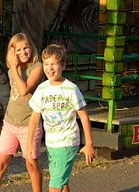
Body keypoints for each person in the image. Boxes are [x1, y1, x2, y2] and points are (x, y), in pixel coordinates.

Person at [28, 44, 95, 192]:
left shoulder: (71, 89)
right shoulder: (42, 88)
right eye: (46, 64)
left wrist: (89, 143)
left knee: (54, 185)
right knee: (61, 181)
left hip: (67, 141)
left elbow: (83, 116)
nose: (50, 68)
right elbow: (34, 118)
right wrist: (29, 144)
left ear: (63, 65)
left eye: (54, 64)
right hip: (51, 143)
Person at [0, 33, 45, 192]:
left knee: (31, 165)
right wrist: (13, 68)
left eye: (26, 47)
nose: (23, 52)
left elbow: (24, 90)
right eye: (18, 50)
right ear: (12, 52)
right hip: (10, 123)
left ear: (31, 47)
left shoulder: (37, 67)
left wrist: (13, 67)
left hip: (29, 125)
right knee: (0, 164)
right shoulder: (12, 70)